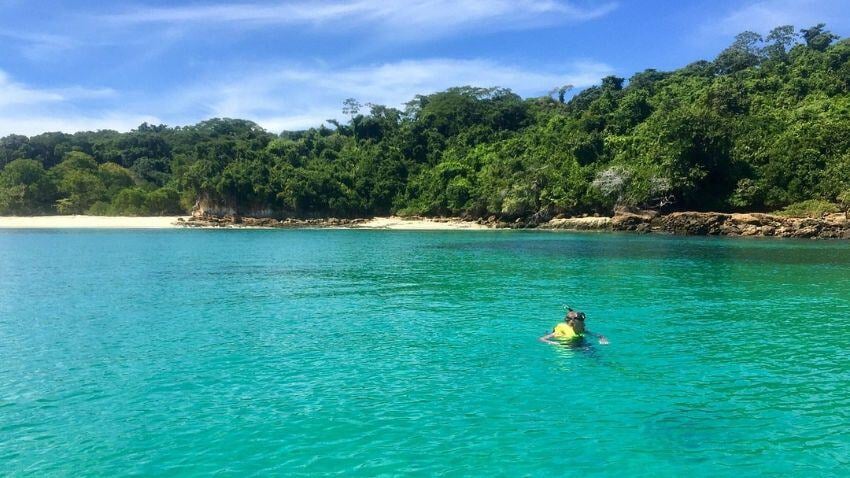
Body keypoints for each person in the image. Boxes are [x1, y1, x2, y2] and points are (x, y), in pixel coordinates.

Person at [539, 309, 608, 345]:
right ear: (574, 321)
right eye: (581, 321)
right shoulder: (562, 331)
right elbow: (542, 339)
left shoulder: (582, 328)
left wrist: (602, 338)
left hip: (579, 343)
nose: (583, 323)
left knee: (590, 351)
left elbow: (598, 335)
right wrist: (554, 343)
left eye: (583, 321)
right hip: (570, 345)